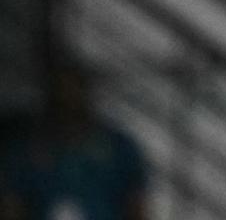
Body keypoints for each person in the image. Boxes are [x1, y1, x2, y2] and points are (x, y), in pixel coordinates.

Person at [1, 61, 149, 220]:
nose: (68, 101)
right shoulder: (27, 152)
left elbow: (136, 205)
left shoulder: (118, 148)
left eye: (73, 94)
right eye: (61, 98)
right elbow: (12, 206)